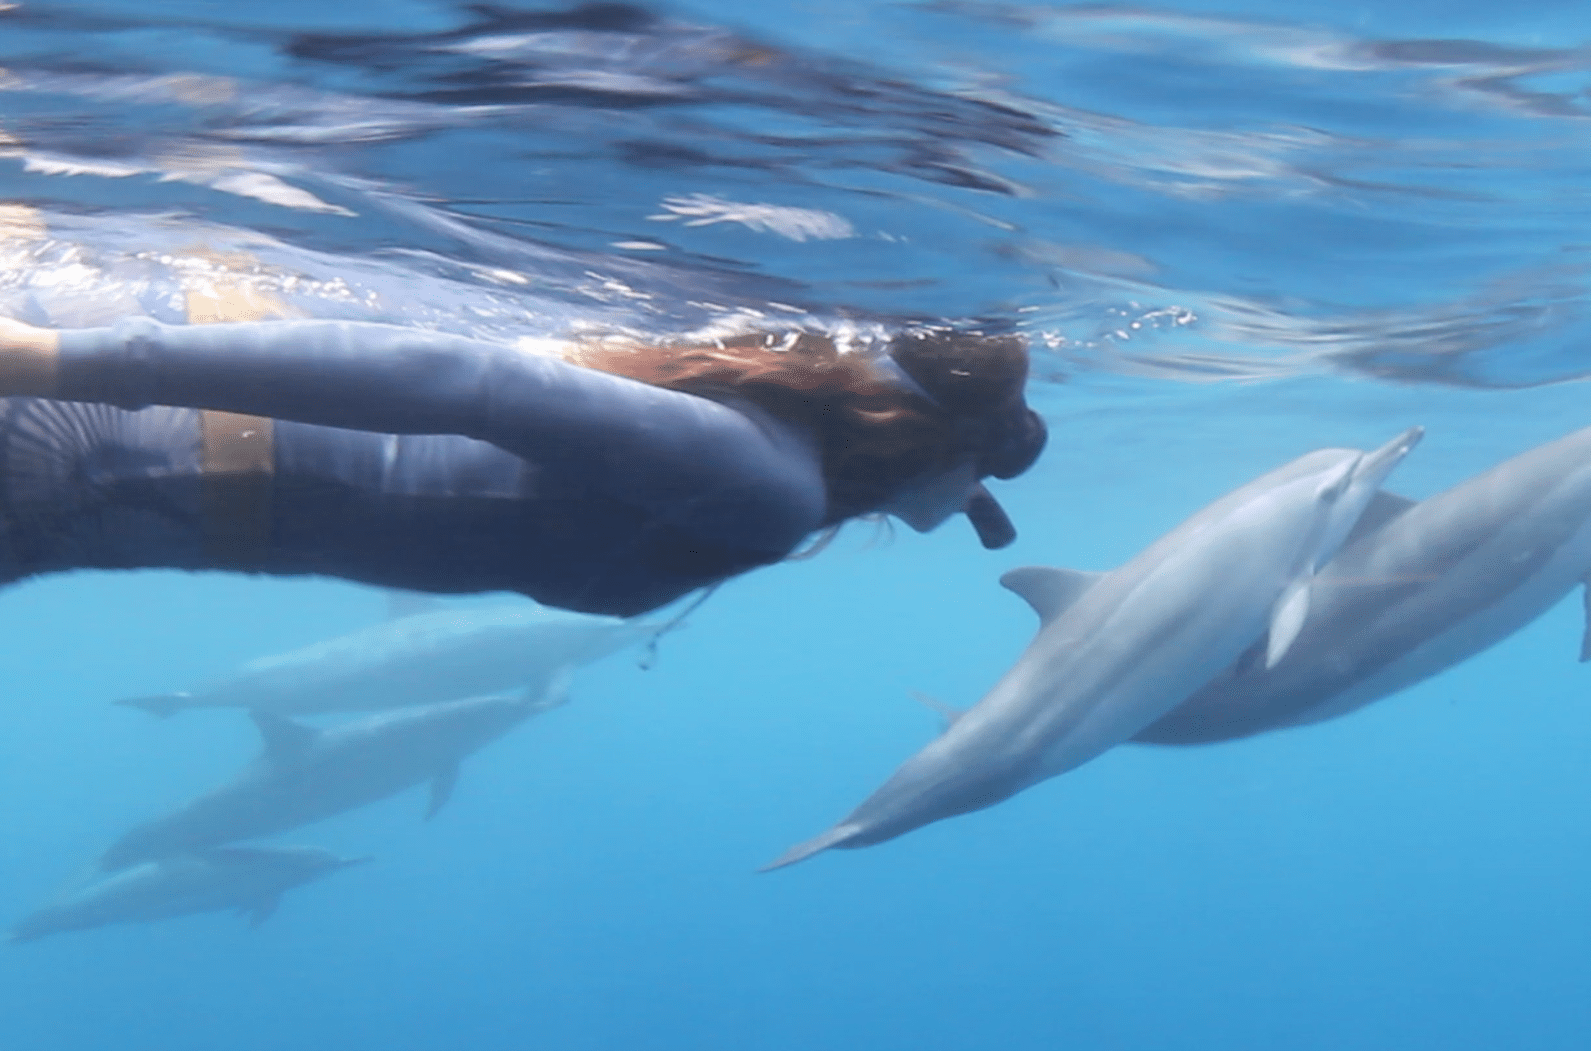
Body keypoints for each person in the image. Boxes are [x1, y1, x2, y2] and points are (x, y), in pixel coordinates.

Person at [0, 311, 1046, 617]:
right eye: (976, 471)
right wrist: (54, 358)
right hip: (74, 455)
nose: (972, 501)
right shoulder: (761, 485)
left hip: (92, 483)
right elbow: (465, 378)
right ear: (930, 445)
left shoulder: (768, 455)